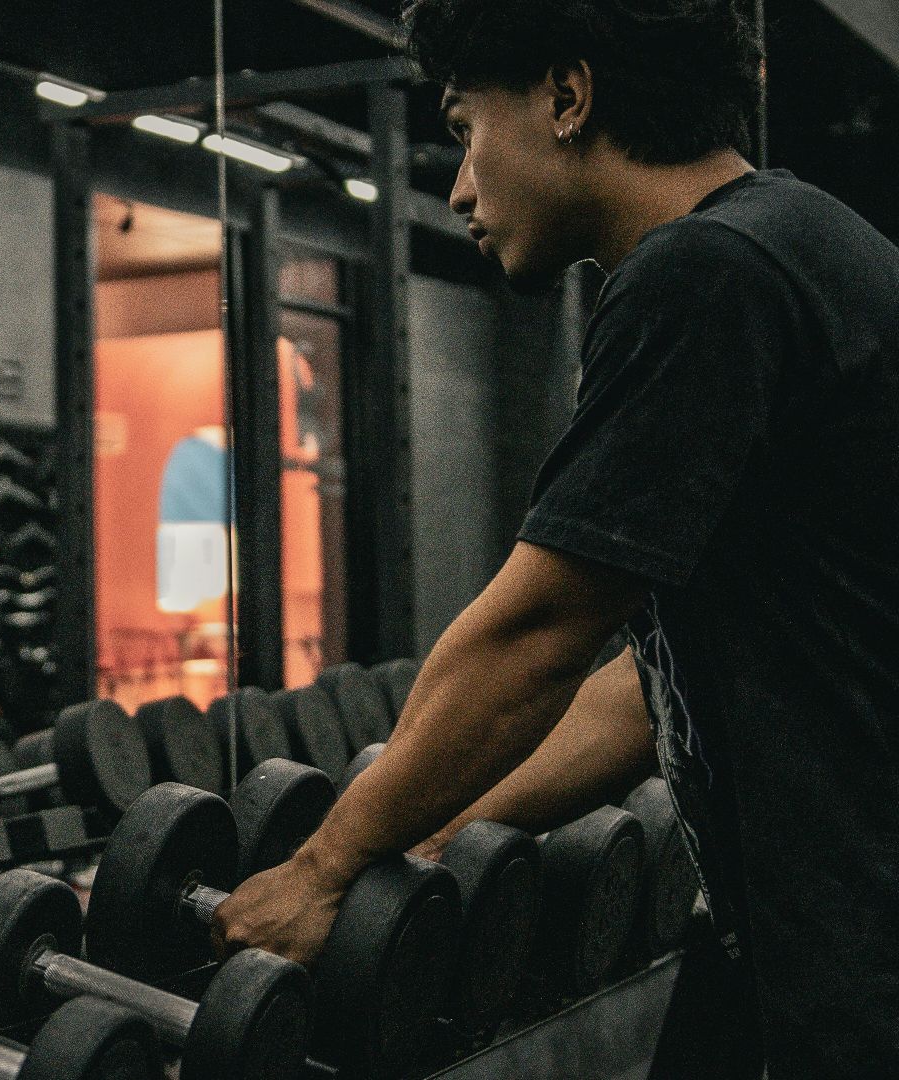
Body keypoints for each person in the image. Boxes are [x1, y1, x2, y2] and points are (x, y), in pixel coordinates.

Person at [209, 2, 899, 1077]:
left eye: (466, 128)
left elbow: (536, 636)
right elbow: (645, 693)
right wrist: (430, 827)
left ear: (567, 98)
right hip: (781, 941)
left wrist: (322, 868)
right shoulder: (793, 245)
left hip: (860, 958)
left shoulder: (707, 273)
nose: (459, 188)